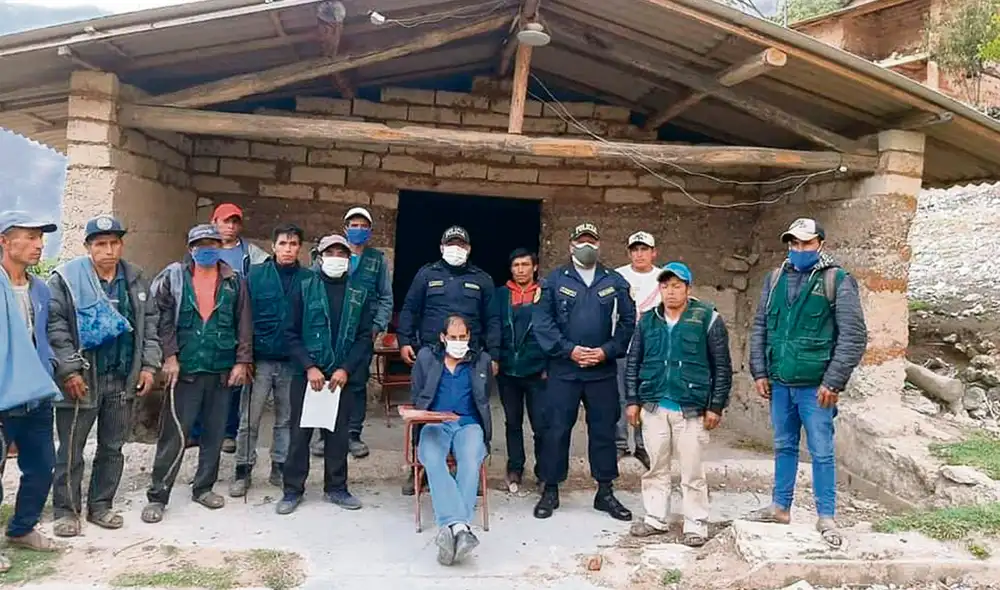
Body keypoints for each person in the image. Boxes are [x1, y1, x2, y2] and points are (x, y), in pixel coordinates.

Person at [745, 218, 867, 549]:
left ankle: (826, 515)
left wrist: (834, 380)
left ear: (820, 245)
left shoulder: (836, 280)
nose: (799, 250)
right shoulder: (774, 279)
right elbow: (760, 327)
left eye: (806, 244)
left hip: (817, 388)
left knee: (821, 451)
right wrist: (759, 371)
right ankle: (780, 507)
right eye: (794, 244)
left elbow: (854, 336)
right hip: (780, 383)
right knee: (783, 445)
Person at [47, 216, 162, 537]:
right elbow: (56, 330)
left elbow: (149, 327)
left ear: (121, 244)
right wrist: (69, 370)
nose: (108, 250)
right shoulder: (67, 280)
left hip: (122, 378)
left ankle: (101, 505)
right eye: (100, 244)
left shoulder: (135, 279)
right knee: (71, 448)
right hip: (81, 379)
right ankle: (66, 511)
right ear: (88, 247)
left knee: (112, 446)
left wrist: (149, 367)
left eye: (114, 243)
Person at [142, 224, 252, 524]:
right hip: (185, 370)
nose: (207, 248)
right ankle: (158, 495)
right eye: (201, 244)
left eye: (213, 243)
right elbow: (162, 320)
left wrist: (242, 362)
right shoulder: (174, 277)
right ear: (190, 248)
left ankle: (203, 488)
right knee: (174, 434)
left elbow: (243, 323)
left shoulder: (234, 281)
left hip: (220, 369)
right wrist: (169, 357)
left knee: (215, 434)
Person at [624, 262, 733, 547]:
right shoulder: (648, 320)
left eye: (676, 286)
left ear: (688, 289)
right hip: (654, 406)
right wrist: (633, 400)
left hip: (691, 408)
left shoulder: (707, 318)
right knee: (656, 467)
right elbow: (633, 362)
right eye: (665, 286)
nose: (670, 292)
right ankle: (655, 519)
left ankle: (695, 524)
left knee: (692, 471)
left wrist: (716, 406)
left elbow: (722, 366)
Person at [532, 223, 636, 521]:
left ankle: (605, 491)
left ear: (599, 245)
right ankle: (550, 489)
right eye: (581, 241)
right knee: (555, 429)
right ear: (571, 246)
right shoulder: (554, 281)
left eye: (591, 240)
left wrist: (606, 350)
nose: (586, 246)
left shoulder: (614, 281)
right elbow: (543, 323)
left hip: (601, 371)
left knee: (603, 431)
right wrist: (569, 350)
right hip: (564, 370)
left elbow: (628, 323)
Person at [397, 225, 499, 495]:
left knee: (471, 409)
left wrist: (495, 355)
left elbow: (493, 320)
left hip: (470, 357)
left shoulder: (482, 279)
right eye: (451, 244)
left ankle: (469, 470)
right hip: (430, 356)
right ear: (441, 247)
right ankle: (419, 469)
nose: (456, 249)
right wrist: (404, 340)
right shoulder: (426, 274)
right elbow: (410, 309)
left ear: (469, 249)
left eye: (461, 244)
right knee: (425, 407)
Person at [277, 234, 375, 515]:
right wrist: (309, 366)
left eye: (341, 253)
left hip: (341, 378)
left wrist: (345, 369)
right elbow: (290, 332)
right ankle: (292, 490)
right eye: (329, 252)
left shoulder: (360, 292)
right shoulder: (304, 286)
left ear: (349, 259)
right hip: (308, 375)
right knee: (300, 434)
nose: (336, 257)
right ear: (319, 257)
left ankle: (337, 488)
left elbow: (364, 337)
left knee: (338, 435)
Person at [0, 211, 62, 570]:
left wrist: (53, 366)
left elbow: (45, 335)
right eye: (30, 237)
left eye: (41, 237)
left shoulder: (39, 288)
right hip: (2, 395)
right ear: (4, 242)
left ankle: (22, 528)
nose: (39, 245)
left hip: (36, 394)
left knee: (41, 468)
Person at [229, 223, 308, 498]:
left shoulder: (308, 279)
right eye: (283, 244)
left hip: (292, 361)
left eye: (294, 244)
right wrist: (244, 356)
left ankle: (279, 465)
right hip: (259, 360)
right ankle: (242, 469)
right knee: (248, 419)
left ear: (300, 248)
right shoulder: (256, 276)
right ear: (273, 247)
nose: (288, 249)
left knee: (285, 419)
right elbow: (243, 318)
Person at [310, 207, 392, 460]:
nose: (358, 230)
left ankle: (353, 435)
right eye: (353, 225)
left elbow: (386, 297)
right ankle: (325, 435)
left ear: (370, 231)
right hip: (330, 331)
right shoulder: (330, 254)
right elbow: (311, 288)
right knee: (327, 381)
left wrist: (375, 328)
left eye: (363, 226)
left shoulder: (377, 260)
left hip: (360, 333)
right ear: (345, 228)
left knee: (356, 382)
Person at [410, 315, 493, 566]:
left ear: (469, 337)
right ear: (443, 338)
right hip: (435, 423)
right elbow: (417, 394)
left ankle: (451, 527)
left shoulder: (481, 361)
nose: (458, 342)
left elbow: (484, 397)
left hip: (468, 423)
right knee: (433, 460)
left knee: (470, 460)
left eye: (463, 337)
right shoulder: (427, 358)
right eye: (453, 338)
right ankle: (460, 528)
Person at [190, 203, 267, 454]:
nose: (230, 226)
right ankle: (196, 431)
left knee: (234, 381)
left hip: (235, 321)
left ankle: (228, 433)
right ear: (214, 222)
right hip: (204, 323)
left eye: (235, 222)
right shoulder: (203, 250)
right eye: (225, 221)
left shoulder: (250, 253)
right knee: (201, 378)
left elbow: (266, 273)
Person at [493, 248, 547, 491]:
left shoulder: (545, 294)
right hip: (508, 370)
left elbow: (552, 330)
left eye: (525, 265)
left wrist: (549, 364)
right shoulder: (501, 294)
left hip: (538, 370)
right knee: (512, 421)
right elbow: (494, 327)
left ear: (535, 267)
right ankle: (515, 467)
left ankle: (544, 470)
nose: (521, 270)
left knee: (540, 423)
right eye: (516, 265)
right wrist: (495, 357)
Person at [613, 231, 660, 469]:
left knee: (646, 397)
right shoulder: (618, 276)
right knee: (620, 396)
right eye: (635, 250)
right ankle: (620, 444)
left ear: (654, 252)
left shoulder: (663, 277)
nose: (639, 254)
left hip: (651, 350)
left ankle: (643, 445)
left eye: (644, 249)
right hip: (622, 346)